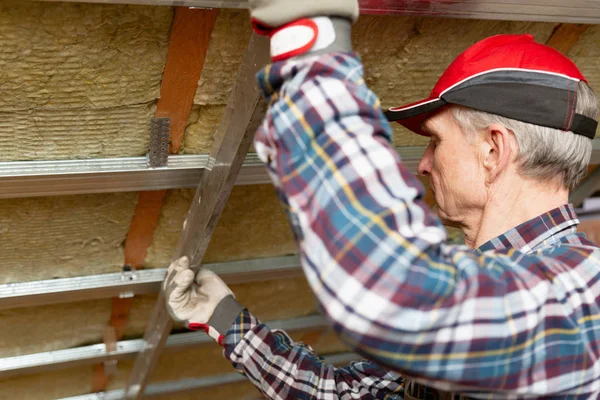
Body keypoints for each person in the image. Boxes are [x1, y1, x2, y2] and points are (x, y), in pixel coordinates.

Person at [163, 0, 600, 398]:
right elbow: (343, 394)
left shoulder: (586, 298)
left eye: (435, 141)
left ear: (493, 150)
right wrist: (225, 320)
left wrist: (314, 48)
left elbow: (392, 293)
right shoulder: (490, 300)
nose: (423, 165)